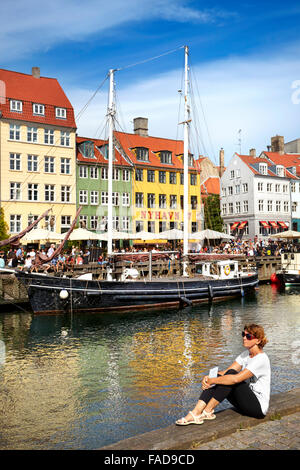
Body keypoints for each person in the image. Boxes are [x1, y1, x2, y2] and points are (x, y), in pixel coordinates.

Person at [176, 324, 270, 425]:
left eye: (248, 336)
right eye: (243, 334)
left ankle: (207, 410)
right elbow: (225, 372)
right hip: (244, 403)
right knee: (222, 376)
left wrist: (213, 380)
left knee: (231, 376)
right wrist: (208, 378)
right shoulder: (245, 355)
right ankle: (197, 411)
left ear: (258, 340)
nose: (244, 338)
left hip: (257, 408)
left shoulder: (261, 359)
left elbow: (236, 379)